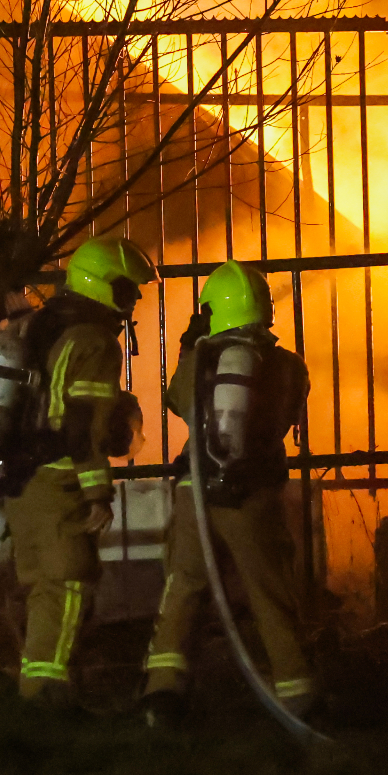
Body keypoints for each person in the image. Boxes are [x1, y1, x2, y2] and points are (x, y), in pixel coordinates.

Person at [140, 260, 313, 728]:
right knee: (269, 591)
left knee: (183, 589)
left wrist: (189, 347)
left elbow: (178, 399)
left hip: (195, 493)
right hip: (253, 496)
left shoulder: (202, 359)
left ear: (212, 312)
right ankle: (297, 695)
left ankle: (163, 697)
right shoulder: (290, 366)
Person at [0, 234, 157, 708]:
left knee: (45, 589)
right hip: (59, 479)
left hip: (21, 478)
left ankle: (34, 692)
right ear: (104, 286)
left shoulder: (42, 325)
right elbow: (82, 423)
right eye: (128, 288)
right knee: (68, 585)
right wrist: (97, 490)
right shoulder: (94, 341)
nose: (135, 299)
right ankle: (48, 693)